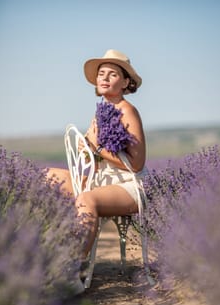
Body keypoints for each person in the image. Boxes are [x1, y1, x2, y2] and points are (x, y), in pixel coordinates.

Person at [46, 49, 148, 265]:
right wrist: (87, 150)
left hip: (129, 185)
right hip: (103, 180)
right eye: (102, 73)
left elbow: (137, 165)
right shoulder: (101, 111)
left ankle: (72, 267)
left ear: (125, 83)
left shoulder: (127, 110)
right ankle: (43, 250)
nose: (104, 78)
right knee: (47, 177)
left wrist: (96, 148)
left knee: (86, 199)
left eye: (112, 74)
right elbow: (93, 155)